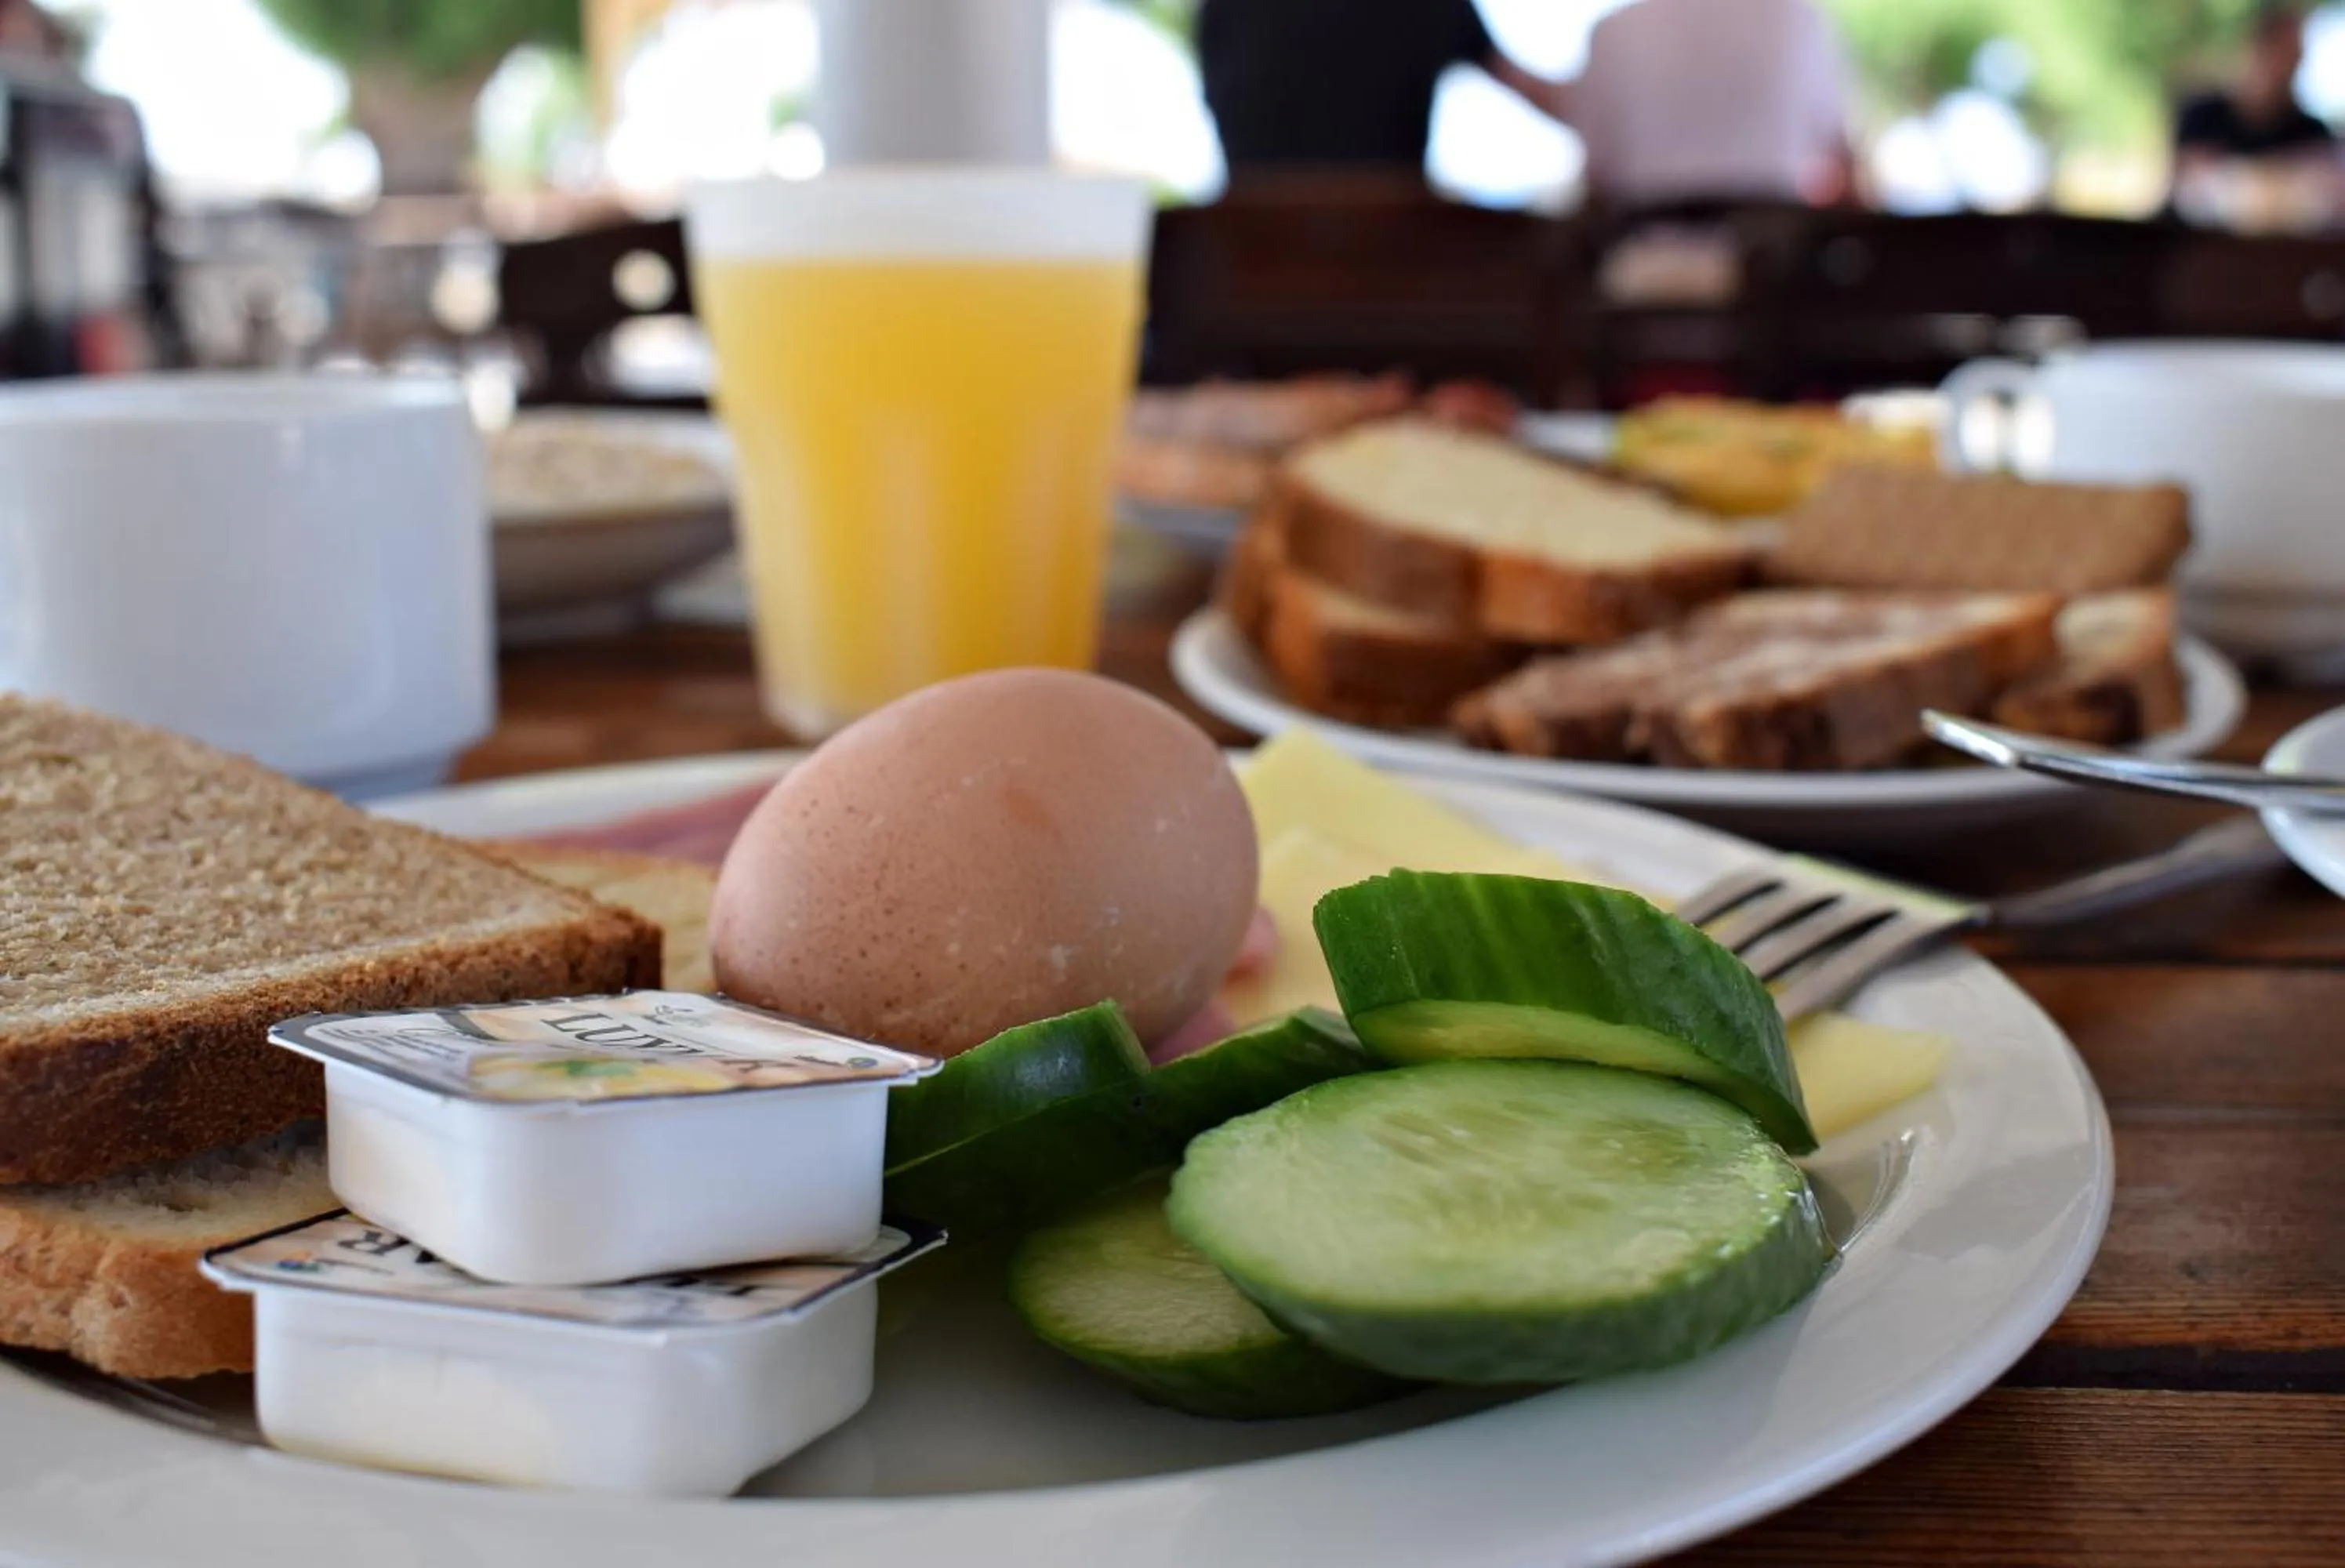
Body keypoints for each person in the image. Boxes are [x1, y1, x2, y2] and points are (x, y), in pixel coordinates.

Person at [1196, 0, 1570, 170]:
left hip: (1247, 274)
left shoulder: (1227, 7)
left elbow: (1215, 99)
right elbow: (1539, 94)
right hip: (1390, 278)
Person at [1554, 0, 1856, 206]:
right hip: (1768, 265)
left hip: (1642, 268)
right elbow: (1841, 161)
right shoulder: (1798, 18)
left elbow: (1597, 181)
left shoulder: (1613, 31)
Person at [2172, 3, 2338, 225]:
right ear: (2256, 49)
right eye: (2279, 54)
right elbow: (2191, 187)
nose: (2287, 69)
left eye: (2295, 58)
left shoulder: (2313, 132)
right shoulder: (2202, 116)